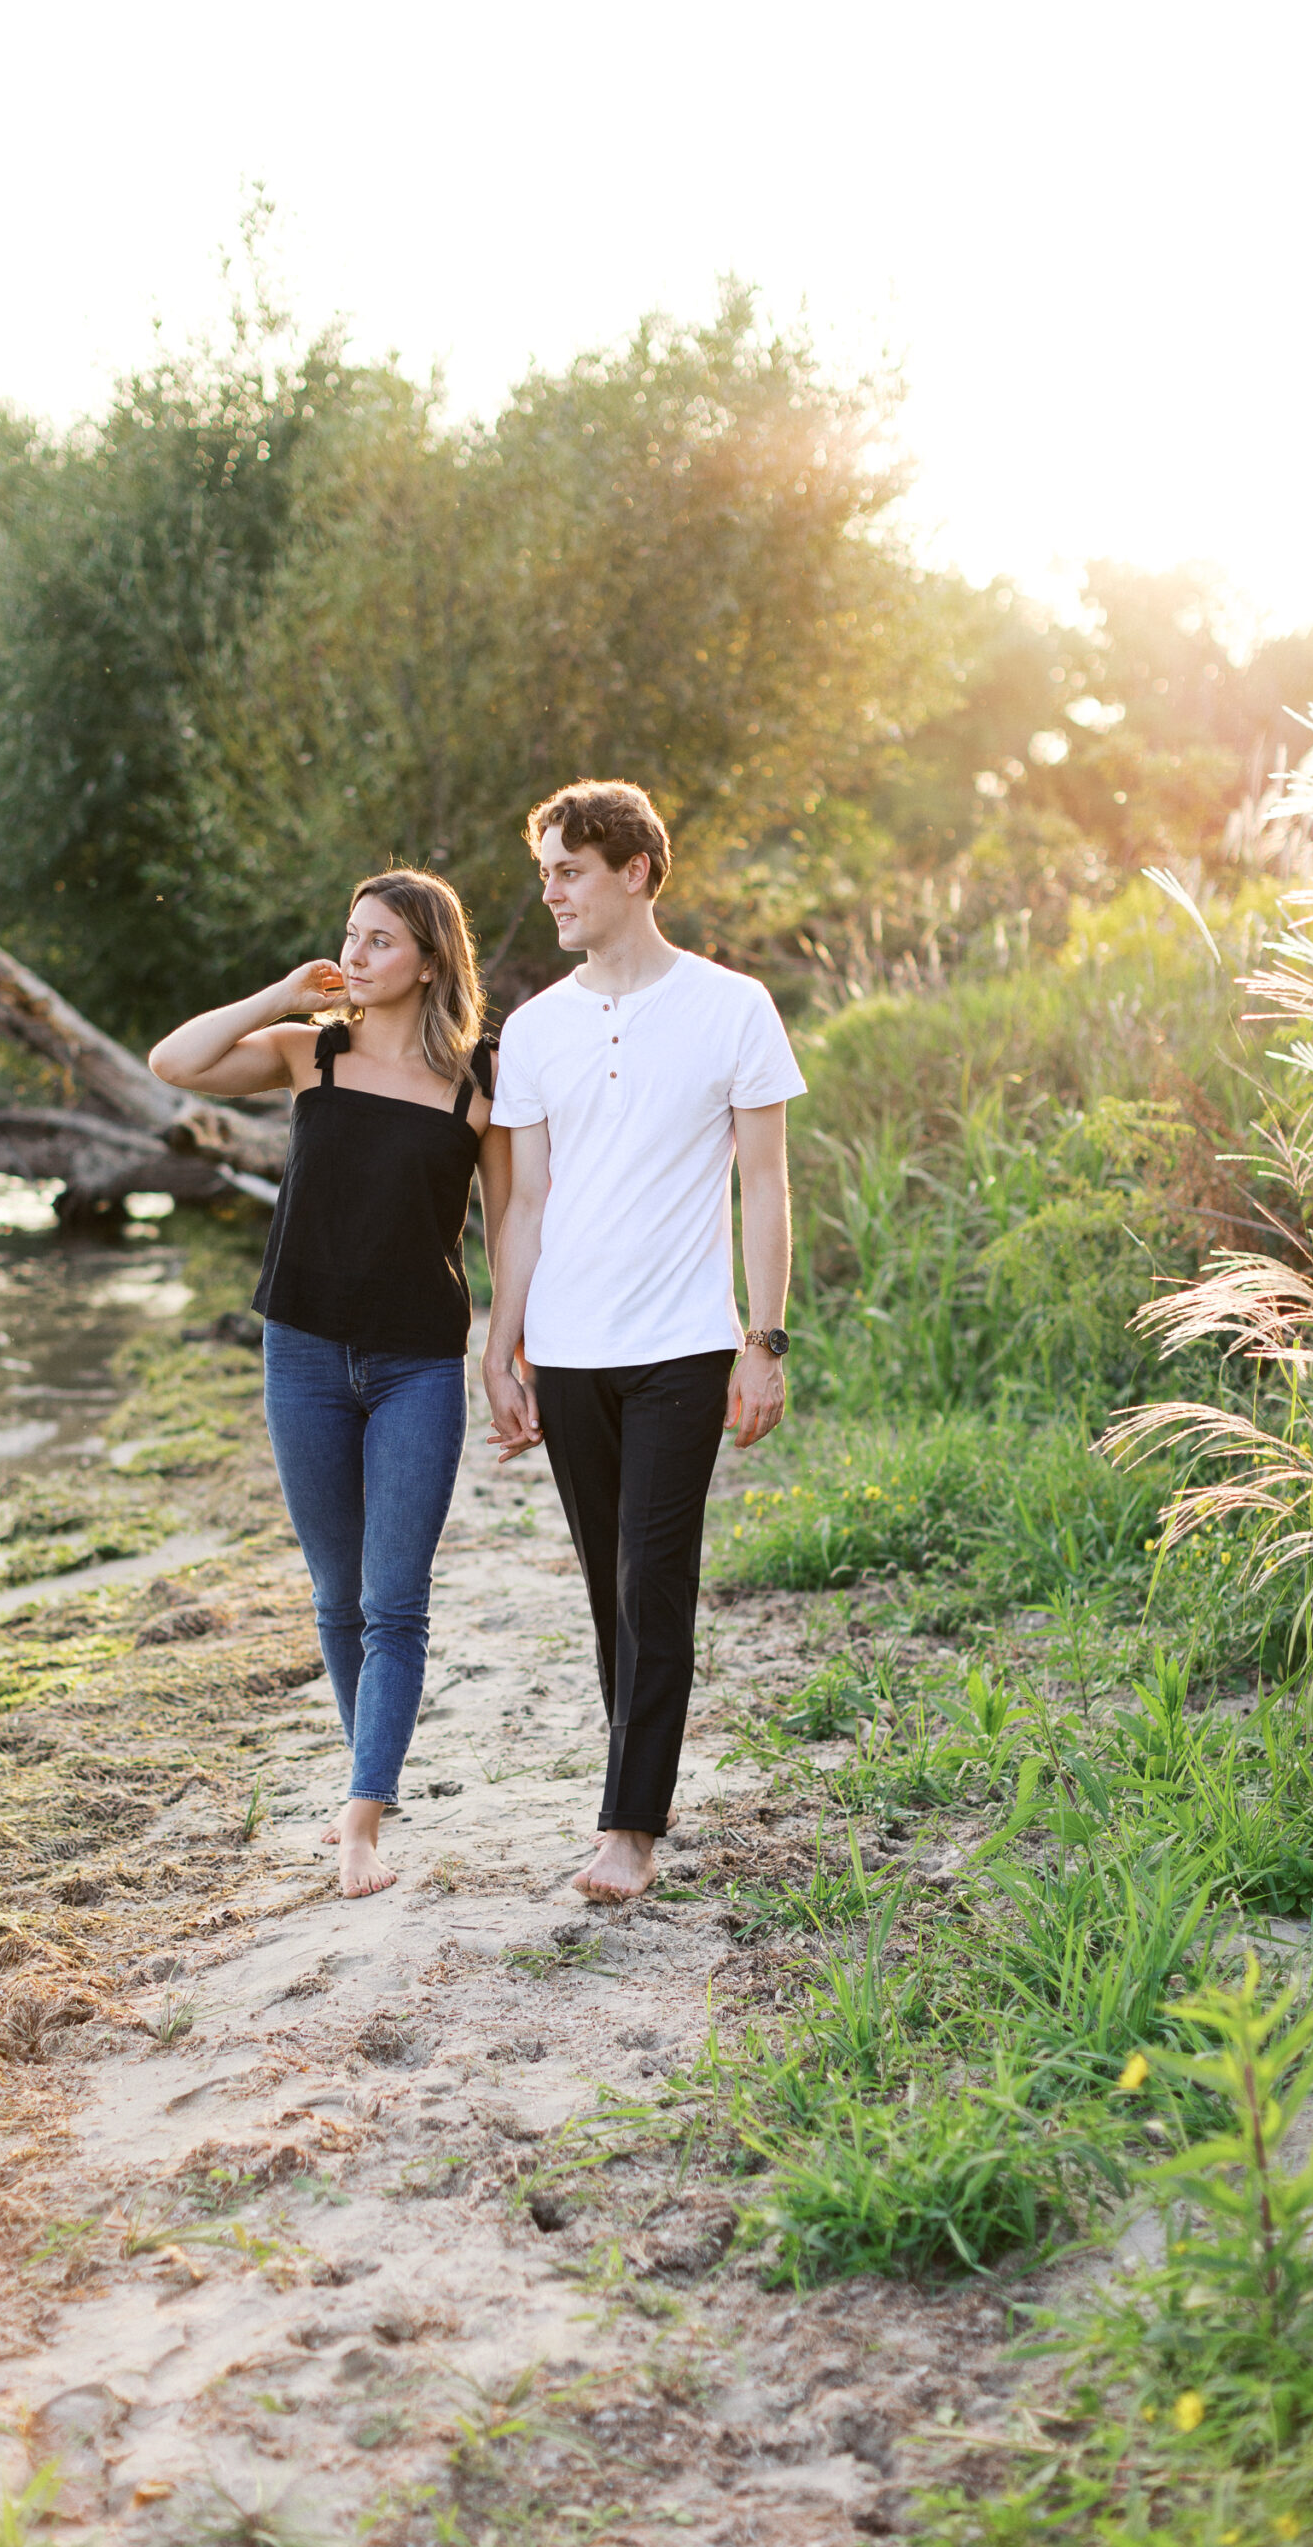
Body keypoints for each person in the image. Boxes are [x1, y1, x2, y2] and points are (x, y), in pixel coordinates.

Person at [148, 870, 507, 1899]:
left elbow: (513, 1221)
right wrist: (278, 998)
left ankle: (360, 1822)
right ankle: (372, 1781)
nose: (356, 955)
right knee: (335, 1599)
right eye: (351, 936)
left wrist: (504, 1346)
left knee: (396, 1602)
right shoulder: (317, 1053)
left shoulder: (478, 1085)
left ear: (431, 960)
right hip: (301, 1351)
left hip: (417, 1365)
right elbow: (175, 1061)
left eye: (381, 941)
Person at [483, 781, 805, 1903]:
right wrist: (500, 1344)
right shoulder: (533, 1029)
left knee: (652, 1574)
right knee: (605, 1585)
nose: (553, 894)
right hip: (567, 1351)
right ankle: (639, 1788)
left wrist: (763, 1338)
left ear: (634, 870)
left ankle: (629, 1830)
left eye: (570, 871)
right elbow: (522, 1206)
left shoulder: (733, 1008)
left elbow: (764, 1186)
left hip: (683, 1343)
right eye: (545, 876)